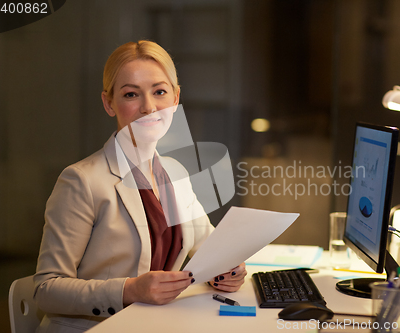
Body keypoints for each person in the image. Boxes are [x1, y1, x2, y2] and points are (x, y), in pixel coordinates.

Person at [33, 40, 246, 333]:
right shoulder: (81, 180)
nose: (148, 107)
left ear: (175, 99)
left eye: (159, 92)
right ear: (109, 103)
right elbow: (46, 289)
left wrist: (228, 269)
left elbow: (206, 247)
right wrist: (129, 290)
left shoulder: (175, 173)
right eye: (131, 94)